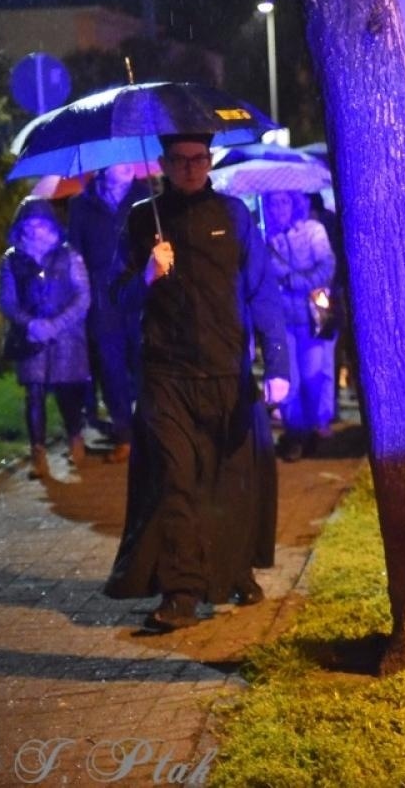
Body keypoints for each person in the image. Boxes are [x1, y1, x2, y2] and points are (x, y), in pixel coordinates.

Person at [104, 133, 290, 632]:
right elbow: (115, 299)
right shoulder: (143, 220)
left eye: (198, 159)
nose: (189, 168)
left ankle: (234, 571)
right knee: (176, 481)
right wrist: (146, 274)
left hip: (227, 371)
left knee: (229, 484)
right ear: (162, 162)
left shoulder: (233, 216)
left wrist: (277, 367)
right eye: (179, 160)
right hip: (166, 375)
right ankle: (181, 592)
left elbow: (263, 291)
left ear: (209, 161)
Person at [0, 198, 91, 480]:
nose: (35, 228)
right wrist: (32, 324)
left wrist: (57, 324)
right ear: (21, 226)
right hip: (31, 338)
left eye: (41, 222)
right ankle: (38, 454)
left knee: (68, 392)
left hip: (67, 339)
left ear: (51, 225)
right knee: (34, 395)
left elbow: (82, 295)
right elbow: (7, 300)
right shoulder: (12, 260)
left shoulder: (68, 255)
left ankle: (75, 438)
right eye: (30, 223)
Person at [67, 163, 150, 463]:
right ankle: (125, 435)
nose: (127, 164)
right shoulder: (81, 204)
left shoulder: (146, 195)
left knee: (145, 364)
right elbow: (74, 254)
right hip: (102, 300)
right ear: (102, 166)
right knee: (112, 368)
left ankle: (150, 431)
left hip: (139, 291)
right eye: (118, 159)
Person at [264, 190, 338, 461]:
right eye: (273, 202)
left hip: (312, 316)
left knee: (314, 376)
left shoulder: (313, 231)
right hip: (283, 319)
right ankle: (296, 434)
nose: (278, 207)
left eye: (283, 201)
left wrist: (297, 281)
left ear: (294, 203)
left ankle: (315, 427)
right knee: (290, 379)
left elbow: (327, 266)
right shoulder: (268, 239)